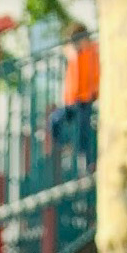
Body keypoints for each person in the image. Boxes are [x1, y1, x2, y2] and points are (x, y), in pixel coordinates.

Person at [52, 24, 99, 172]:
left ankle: (88, 163)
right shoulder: (72, 53)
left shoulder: (91, 51)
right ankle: (66, 146)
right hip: (72, 100)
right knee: (54, 121)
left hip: (85, 98)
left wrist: (95, 92)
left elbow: (95, 73)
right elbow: (66, 49)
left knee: (83, 131)